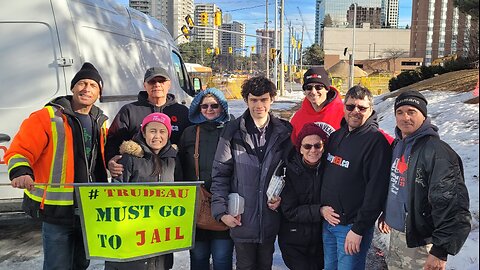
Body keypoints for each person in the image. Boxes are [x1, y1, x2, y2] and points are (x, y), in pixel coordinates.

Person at [5, 62, 108, 270]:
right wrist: (21, 171)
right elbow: (19, 150)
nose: (86, 88)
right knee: (57, 266)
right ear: (72, 88)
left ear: (99, 92)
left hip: (88, 209)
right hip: (56, 211)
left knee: (81, 264)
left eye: (92, 85)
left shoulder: (101, 121)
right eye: (81, 83)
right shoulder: (47, 117)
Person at [377, 90, 471, 270]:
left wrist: (440, 250)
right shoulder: (397, 145)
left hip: (422, 243)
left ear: (424, 115)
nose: (405, 117)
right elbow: (395, 185)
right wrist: (386, 212)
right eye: (400, 112)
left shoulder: (437, 152)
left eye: (411, 112)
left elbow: (453, 204)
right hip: (397, 236)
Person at [210, 76, 292, 270]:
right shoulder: (232, 130)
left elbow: (291, 173)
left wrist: (283, 199)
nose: (259, 105)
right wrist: (221, 212)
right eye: (253, 99)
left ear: (272, 99)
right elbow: (220, 174)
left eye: (264, 99)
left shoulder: (284, 132)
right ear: (246, 100)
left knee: (265, 265)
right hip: (241, 219)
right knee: (245, 266)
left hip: (270, 219)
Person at [320, 85, 392, 270]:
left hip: (350, 227)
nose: (355, 112)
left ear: (371, 110)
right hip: (329, 222)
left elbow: (375, 191)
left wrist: (358, 229)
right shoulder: (337, 136)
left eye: (362, 108)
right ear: (344, 107)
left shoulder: (376, 142)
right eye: (350, 106)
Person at [104, 112, 177, 270]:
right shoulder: (128, 159)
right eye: (152, 131)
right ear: (143, 132)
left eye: (162, 131)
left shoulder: (172, 161)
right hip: (132, 239)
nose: (157, 136)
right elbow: (115, 197)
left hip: (161, 239)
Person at [177, 88, 233, 270]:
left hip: (224, 202)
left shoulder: (231, 131)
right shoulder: (189, 133)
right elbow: (180, 166)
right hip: (196, 203)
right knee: (199, 257)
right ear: (198, 108)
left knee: (222, 257)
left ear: (222, 107)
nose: (209, 109)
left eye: (214, 105)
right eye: (205, 106)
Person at [106, 66, 191, 178]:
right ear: (144, 85)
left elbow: (191, 144)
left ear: (169, 84)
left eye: (161, 81)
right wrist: (111, 160)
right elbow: (113, 139)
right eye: (152, 81)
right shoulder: (129, 110)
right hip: (139, 177)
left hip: (173, 174)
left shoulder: (182, 111)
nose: (157, 85)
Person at [278, 123, 329, 270]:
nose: (313, 150)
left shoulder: (329, 169)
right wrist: (319, 211)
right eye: (307, 146)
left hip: (321, 240)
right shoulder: (289, 172)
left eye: (317, 145)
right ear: (300, 148)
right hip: (294, 240)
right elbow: (290, 211)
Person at [290, 67, 344, 143]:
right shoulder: (298, 117)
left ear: (327, 89)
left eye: (319, 87)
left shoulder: (344, 113)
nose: (313, 92)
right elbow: (292, 146)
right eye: (309, 87)